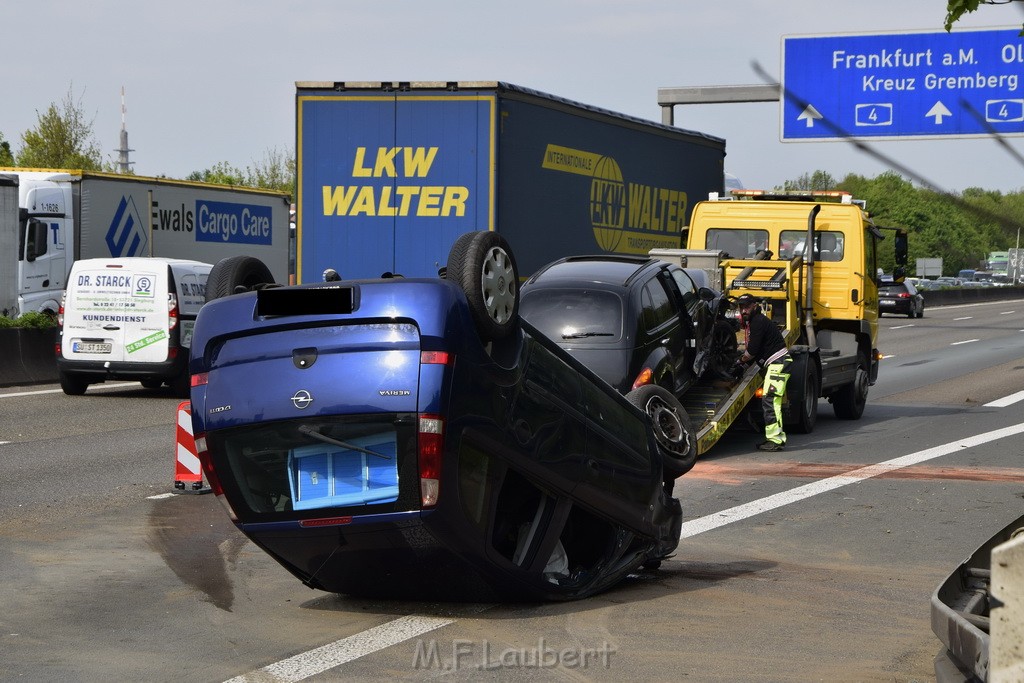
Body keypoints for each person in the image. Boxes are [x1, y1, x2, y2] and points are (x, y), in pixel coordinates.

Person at [733, 294, 791, 451]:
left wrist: (740, 361)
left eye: (746, 307)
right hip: (776, 363)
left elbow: (752, 350)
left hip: (778, 363)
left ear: (754, 306)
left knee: (770, 401)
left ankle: (775, 440)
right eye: (741, 307)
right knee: (771, 401)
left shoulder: (758, 321)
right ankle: (774, 438)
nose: (743, 310)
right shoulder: (756, 321)